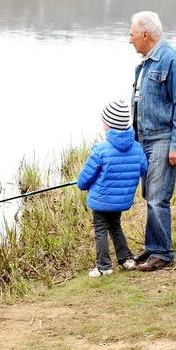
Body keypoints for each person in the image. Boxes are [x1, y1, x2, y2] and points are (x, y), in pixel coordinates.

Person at [128, 11, 176, 271]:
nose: (130, 39)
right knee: (149, 194)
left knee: (158, 196)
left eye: (132, 34)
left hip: (162, 138)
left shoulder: (175, 60)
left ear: (145, 34)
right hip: (144, 139)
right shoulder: (145, 62)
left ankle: (163, 253)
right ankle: (153, 243)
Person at [77, 100, 148, 278]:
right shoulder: (137, 148)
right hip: (121, 200)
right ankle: (126, 260)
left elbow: (84, 179)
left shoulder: (100, 149)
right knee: (115, 226)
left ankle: (103, 266)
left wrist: (84, 185)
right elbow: (143, 169)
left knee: (100, 229)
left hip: (101, 200)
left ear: (108, 124)